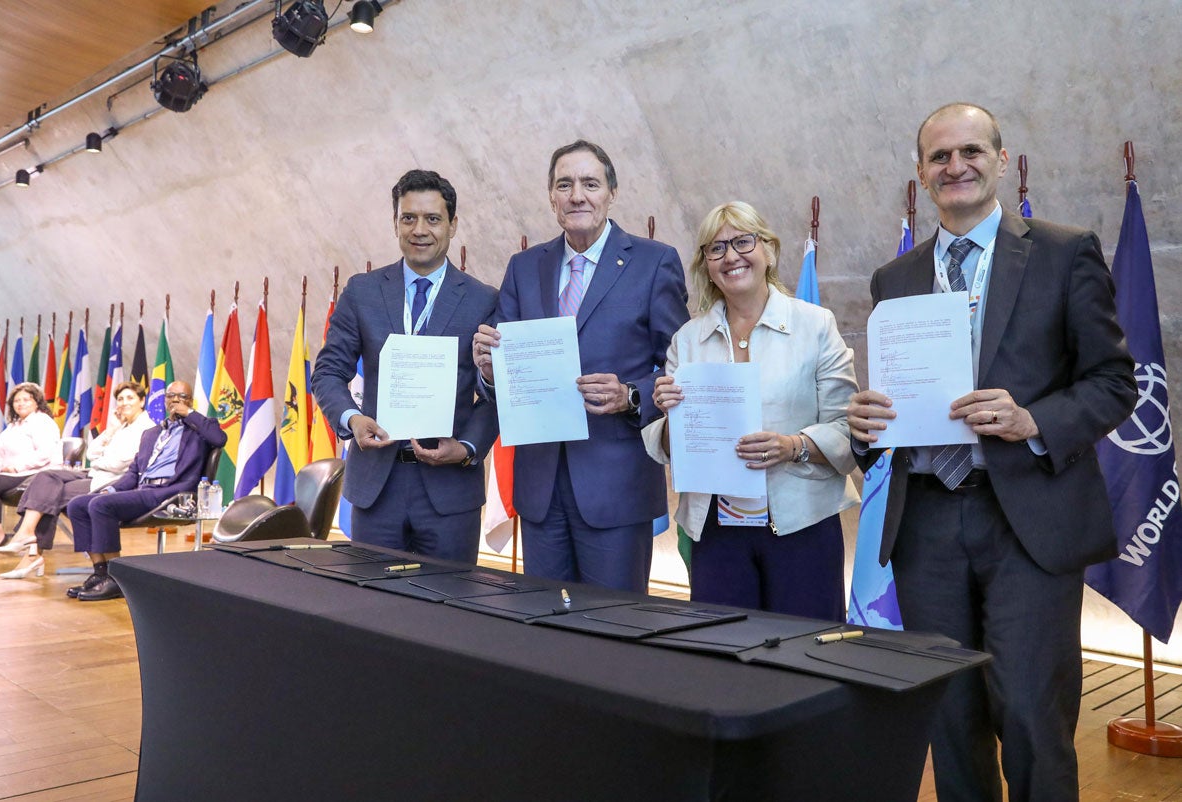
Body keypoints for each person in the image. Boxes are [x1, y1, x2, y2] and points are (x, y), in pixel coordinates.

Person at [846, 103, 1136, 801]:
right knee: (949, 719)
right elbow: (895, 406)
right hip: (925, 524)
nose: (957, 166)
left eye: (971, 151)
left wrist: (1032, 419)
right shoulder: (894, 278)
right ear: (921, 174)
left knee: (1032, 715)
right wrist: (864, 426)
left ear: (1001, 160)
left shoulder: (1066, 252)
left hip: (1028, 520)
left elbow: (1114, 383)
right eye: (940, 157)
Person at [473, 140, 689, 593]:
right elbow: (501, 369)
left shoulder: (654, 262)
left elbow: (681, 365)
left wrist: (630, 395)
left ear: (611, 192)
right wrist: (490, 372)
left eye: (590, 184)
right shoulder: (524, 267)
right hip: (540, 487)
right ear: (551, 197)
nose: (577, 196)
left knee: (614, 624)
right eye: (564, 185)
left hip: (617, 487)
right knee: (543, 619)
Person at [642, 202, 859, 618]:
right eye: (716, 248)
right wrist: (672, 418)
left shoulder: (816, 325)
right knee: (724, 650)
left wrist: (793, 446)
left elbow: (848, 430)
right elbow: (672, 448)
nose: (731, 256)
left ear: (769, 251)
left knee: (805, 646)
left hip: (801, 523)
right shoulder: (686, 340)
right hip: (716, 530)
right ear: (706, 265)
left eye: (743, 241)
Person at [311, 169, 498, 562]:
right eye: (408, 218)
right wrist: (352, 419)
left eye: (433, 219)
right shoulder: (362, 292)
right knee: (371, 597)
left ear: (453, 225)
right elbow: (328, 372)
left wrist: (466, 448)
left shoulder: (484, 300)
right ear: (395, 223)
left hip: (450, 489)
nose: (420, 230)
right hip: (377, 486)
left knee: (449, 597)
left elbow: (495, 392)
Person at [65, 380, 226, 601]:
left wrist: (189, 414)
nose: (176, 400)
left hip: (172, 492)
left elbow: (220, 439)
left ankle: (116, 578)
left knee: (101, 506)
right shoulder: (151, 433)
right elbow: (134, 473)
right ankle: (100, 572)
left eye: (183, 397)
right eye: (172, 396)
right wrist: (111, 489)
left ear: (191, 401)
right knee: (78, 504)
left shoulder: (200, 430)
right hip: (144, 489)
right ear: (165, 400)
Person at [0, 381, 155, 580]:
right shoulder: (121, 425)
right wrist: (111, 430)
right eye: (120, 399)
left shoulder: (146, 428)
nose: (124, 403)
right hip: (96, 472)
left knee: (53, 495)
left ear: (142, 401)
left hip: (113, 480)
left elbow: (118, 464)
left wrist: (99, 460)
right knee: (46, 477)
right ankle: (26, 535)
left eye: (130, 398)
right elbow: (91, 451)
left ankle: (32, 553)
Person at [0, 382, 62, 556]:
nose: (21, 403)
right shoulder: (14, 424)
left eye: (26, 399)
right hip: (9, 470)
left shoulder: (42, 422)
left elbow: (44, 454)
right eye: (17, 400)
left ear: (37, 402)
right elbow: (1, 449)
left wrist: (16, 467)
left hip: (35, 472)